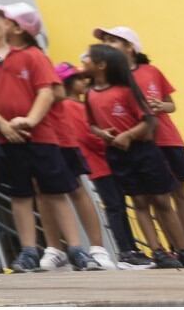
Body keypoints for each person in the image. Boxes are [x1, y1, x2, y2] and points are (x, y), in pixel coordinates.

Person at [0, 1, 74, 273]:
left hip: (41, 134)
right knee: (20, 194)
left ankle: (75, 248)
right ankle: (28, 250)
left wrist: (30, 120)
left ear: (7, 24)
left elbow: (46, 91)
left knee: (55, 191)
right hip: (4, 138)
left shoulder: (31, 55)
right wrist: (2, 124)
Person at [94, 25, 184, 260]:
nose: (107, 45)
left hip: (167, 138)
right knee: (153, 197)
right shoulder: (112, 80)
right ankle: (172, 248)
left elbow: (170, 104)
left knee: (179, 193)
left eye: (113, 40)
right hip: (140, 145)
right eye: (105, 41)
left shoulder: (151, 70)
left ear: (130, 47)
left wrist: (161, 107)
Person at [52, 63, 121, 270]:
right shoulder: (71, 106)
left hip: (93, 162)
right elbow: (87, 135)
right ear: (69, 83)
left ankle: (100, 250)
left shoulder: (79, 105)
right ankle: (110, 250)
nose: (85, 83)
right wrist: (109, 143)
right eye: (80, 79)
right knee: (113, 206)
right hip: (95, 163)